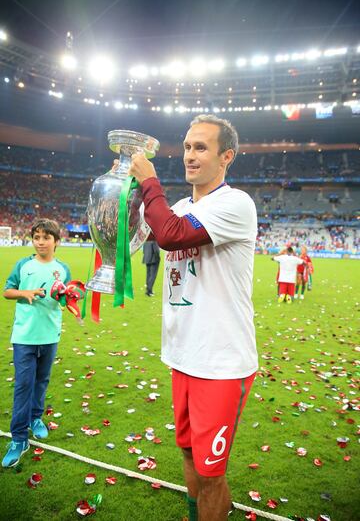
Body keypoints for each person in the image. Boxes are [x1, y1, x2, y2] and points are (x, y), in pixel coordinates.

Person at [129, 115, 258, 521]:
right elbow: (138, 233)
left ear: (227, 157)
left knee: (211, 473)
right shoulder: (183, 206)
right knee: (187, 453)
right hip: (182, 355)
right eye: (186, 147)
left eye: (201, 147)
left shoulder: (235, 204)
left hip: (221, 362)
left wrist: (149, 181)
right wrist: (124, 192)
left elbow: (170, 235)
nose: (189, 155)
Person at [2, 218, 71, 468]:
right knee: (23, 385)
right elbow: (7, 290)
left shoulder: (63, 269)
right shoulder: (23, 265)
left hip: (49, 336)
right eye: (37, 237)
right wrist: (25, 293)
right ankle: (19, 439)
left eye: (46, 238)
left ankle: (35, 419)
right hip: (24, 337)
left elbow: (64, 299)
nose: (40, 242)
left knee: (41, 382)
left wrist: (71, 298)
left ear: (56, 242)